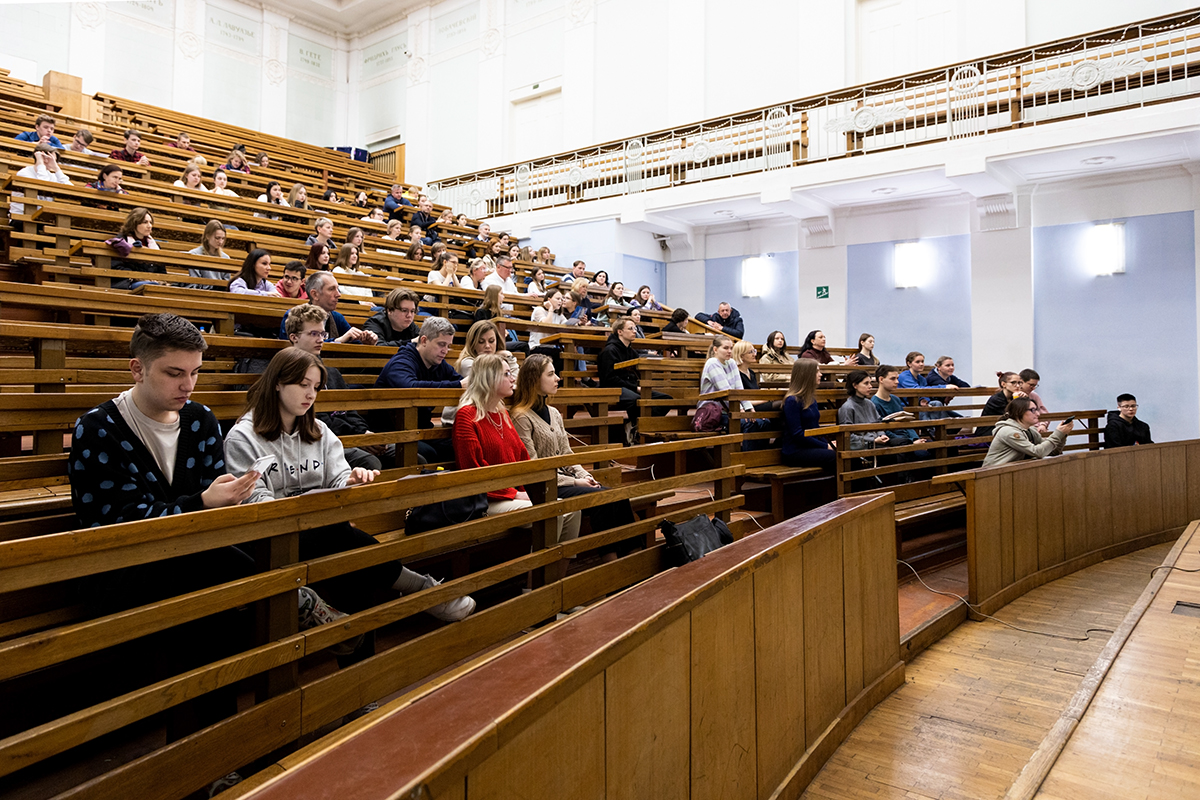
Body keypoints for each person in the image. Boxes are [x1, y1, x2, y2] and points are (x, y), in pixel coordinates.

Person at [67, 314, 260, 736]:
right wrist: (202, 503)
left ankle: (210, 743)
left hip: (198, 560)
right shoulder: (98, 428)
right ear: (137, 368)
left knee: (210, 589)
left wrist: (230, 499)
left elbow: (212, 516)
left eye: (195, 373)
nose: (188, 386)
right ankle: (215, 738)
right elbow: (116, 523)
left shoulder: (201, 421)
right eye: (175, 373)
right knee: (216, 588)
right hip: (121, 568)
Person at [224, 348, 474, 622]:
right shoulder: (243, 437)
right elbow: (255, 501)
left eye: (316, 387)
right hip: (270, 539)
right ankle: (421, 589)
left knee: (353, 567)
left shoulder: (319, 431)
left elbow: (337, 480)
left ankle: (356, 642)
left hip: (324, 532)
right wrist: (312, 510)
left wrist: (351, 481)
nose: (310, 394)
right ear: (277, 383)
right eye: (302, 384)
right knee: (344, 541)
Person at [510, 354, 639, 566]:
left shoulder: (554, 412)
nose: (557, 378)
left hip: (564, 481)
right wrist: (574, 482)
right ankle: (612, 565)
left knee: (619, 496)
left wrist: (584, 475)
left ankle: (634, 558)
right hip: (545, 486)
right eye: (551, 374)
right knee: (602, 500)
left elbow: (566, 453)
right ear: (534, 379)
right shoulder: (521, 417)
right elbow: (533, 468)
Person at [452, 353, 580, 551]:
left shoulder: (501, 413)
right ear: (489, 379)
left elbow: (523, 459)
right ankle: (536, 580)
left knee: (572, 510)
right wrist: (513, 494)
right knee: (554, 512)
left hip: (513, 494)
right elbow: (473, 472)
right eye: (506, 374)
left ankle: (556, 576)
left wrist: (528, 490)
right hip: (487, 499)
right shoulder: (467, 416)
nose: (513, 378)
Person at [281, 305, 387, 472]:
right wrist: (357, 436)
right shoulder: (290, 374)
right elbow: (315, 419)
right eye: (313, 334)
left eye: (323, 334)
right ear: (294, 337)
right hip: (315, 441)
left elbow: (349, 410)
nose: (320, 339)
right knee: (369, 463)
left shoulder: (332, 373)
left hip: (349, 435)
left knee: (409, 454)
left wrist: (364, 432)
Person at [373, 317, 465, 463]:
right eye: (441, 344)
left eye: (448, 346)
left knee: (461, 446)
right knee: (429, 454)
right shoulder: (401, 361)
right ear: (424, 340)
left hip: (421, 430)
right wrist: (459, 385)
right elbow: (410, 388)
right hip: (392, 433)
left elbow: (460, 381)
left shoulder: (438, 363)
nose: (445, 351)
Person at [598, 318, 670, 445]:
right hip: (613, 388)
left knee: (665, 399)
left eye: (635, 328)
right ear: (620, 332)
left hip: (630, 387)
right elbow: (609, 379)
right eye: (630, 328)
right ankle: (638, 430)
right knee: (636, 400)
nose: (635, 331)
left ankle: (638, 426)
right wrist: (635, 388)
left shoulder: (631, 351)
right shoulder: (609, 351)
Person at [442, 320, 519, 426]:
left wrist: (509, 357)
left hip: (482, 417)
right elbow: (495, 384)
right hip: (457, 422)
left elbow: (515, 381)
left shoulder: (499, 362)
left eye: (491, 341)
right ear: (473, 344)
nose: (487, 346)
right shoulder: (467, 363)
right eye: (481, 342)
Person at [278, 272, 378, 344]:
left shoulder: (337, 317)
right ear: (315, 294)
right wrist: (337, 341)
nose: (338, 294)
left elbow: (353, 343)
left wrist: (365, 342)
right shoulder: (294, 315)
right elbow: (291, 350)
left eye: (337, 289)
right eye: (331, 289)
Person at [982, 396, 1072, 468]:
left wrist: (1063, 434)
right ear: (1018, 412)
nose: (1038, 414)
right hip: (992, 474)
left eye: (1037, 410)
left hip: (1012, 472)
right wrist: (1058, 433)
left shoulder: (1030, 430)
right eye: (1033, 410)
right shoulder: (1009, 432)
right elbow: (1037, 452)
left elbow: (1052, 452)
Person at [780, 359, 835, 471]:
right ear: (807, 374)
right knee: (834, 457)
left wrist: (830, 444)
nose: (820, 374)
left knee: (844, 453)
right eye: (817, 371)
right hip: (795, 451)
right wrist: (825, 446)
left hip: (809, 447)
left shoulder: (811, 399)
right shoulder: (792, 401)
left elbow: (816, 430)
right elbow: (797, 434)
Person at [698, 336, 756, 434]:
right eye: (725, 348)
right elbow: (726, 391)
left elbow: (739, 389)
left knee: (764, 423)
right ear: (715, 349)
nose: (729, 351)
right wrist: (741, 411)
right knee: (749, 424)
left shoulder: (732, 363)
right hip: (715, 412)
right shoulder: (712, 363)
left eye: (731, 348)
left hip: (730, 410)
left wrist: (750, 409)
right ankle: (742, 450)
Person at [871, 364, 929, 449]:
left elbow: (905, 422)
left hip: (907, 439)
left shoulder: (896, 399)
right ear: (881, 379)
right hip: (896, 442)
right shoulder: (874, 403)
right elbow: (884, 430)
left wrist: (915, 438)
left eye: (897, 378)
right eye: (892, 379)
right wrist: (910, 441)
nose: (897, 382)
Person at [108, 207, 163, 290]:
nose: (149, 226)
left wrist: (158, 279)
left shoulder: (155, 246)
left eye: (150, 222)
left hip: (152, 282)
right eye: (145, 222)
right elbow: (116, 266)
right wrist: (140, 277)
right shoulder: (121, 242)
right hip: (127, 282)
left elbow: (162, 271)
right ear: (134, 223)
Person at [837, 370, 893, 451]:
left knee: (901, 445)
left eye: (870, 383)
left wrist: (881, 435)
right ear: (855, 385)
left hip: (876, 441)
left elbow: (878, 423)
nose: (870, 386)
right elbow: (848, 436)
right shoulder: (847, 407)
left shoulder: (870, 403)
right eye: (866, 383)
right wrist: (872, 440)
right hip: (862, 445)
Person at [11, 143, 71, 217]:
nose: (54, 162)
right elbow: (43, 186)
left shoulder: (52, 176)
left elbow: (70, 189)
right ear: (44, 159)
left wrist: (56, 168)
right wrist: (40, 162)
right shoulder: (24, 173)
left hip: (42, 217)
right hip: (21, 216)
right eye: (52, 159)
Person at [186, 220, 231, 289]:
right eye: (217, 238)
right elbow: (194, 282)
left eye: (223, 238)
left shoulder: (226, 258)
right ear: (207, 236)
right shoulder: (195, 254)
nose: (221, 242)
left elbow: (226, 282)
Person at [979, 372, 1023, 437]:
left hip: (1004, 430)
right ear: (1003, 384)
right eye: (1013, 382)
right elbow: (1012, 416)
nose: (1017, 386)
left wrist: (1025, 399)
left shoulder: (1012, 397)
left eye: (1019, 383)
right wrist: (1017, 399)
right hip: (989, 432)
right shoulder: (996, 399)